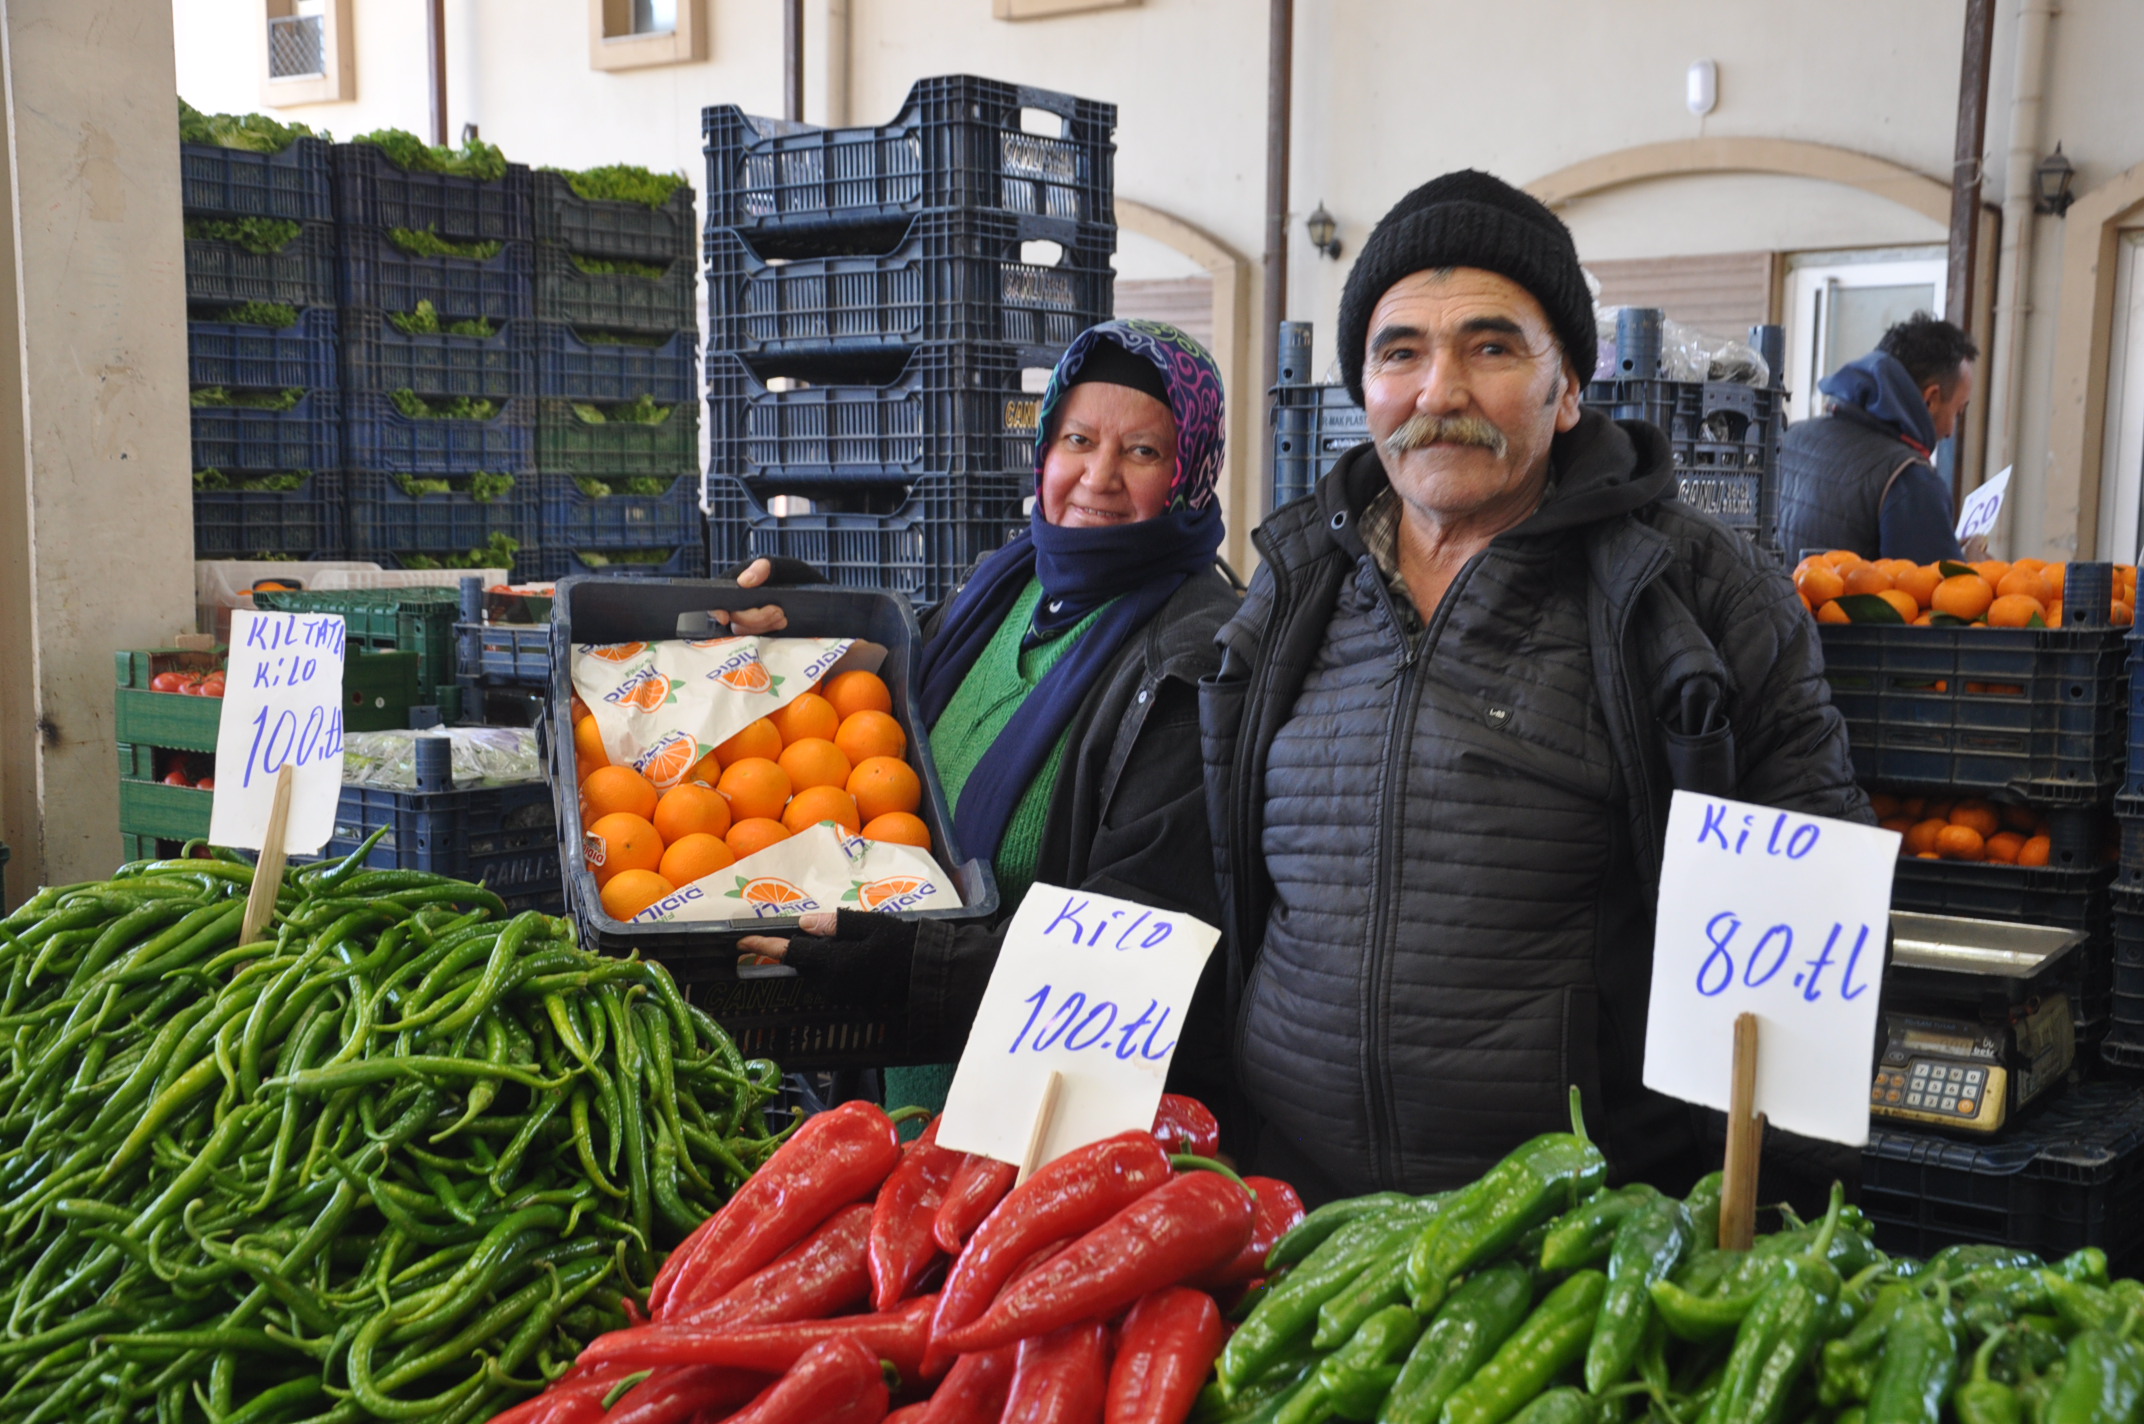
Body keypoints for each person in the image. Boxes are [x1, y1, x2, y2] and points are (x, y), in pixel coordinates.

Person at [1200, 170, 1868, 1204]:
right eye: (1400, 352)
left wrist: (1763, 1229)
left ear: (1567, 391)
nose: (1439, 392)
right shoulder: (1292, 590)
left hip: (1574, 1239)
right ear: (1362, 391)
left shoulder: (1693, 595)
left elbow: (1801, 933)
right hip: (1301, 1223)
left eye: (1491, 346)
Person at [722, 319, 1240, 1120]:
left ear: (1191, 474)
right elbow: (899, 702)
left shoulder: (1195, 660)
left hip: (1035, 1128)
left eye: (1142, 452)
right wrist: (809, 614)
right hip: (892, 1089)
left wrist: (916, 968)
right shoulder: (1007, 587)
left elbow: (1134, 954)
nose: (1098, 476)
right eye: (1077, 439)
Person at [1777, 313, 1980, 563]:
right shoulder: (1910, 479)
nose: (1950, 432)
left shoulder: (1788, 438)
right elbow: (1939, 597)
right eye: (1958, 412)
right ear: (1930, 399)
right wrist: (1973, 567)